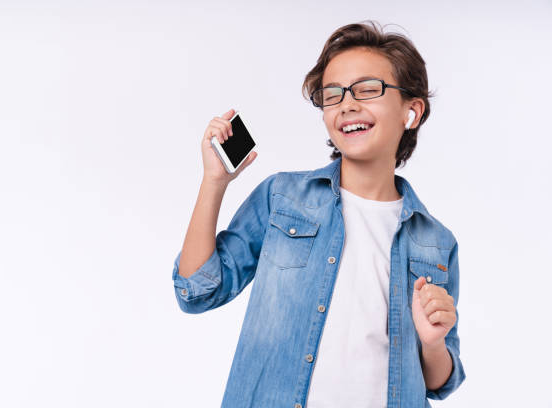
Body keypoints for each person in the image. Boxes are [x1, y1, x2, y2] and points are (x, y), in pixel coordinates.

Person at [171, 20, 465, 408]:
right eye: (333, 94)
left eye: (367, 89)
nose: (347, 103)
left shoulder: (436, 242)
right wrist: (214, 183)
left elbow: (439, 381)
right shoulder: (283, 197)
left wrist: (433, 343)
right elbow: (196, 291)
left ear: (411, 111)